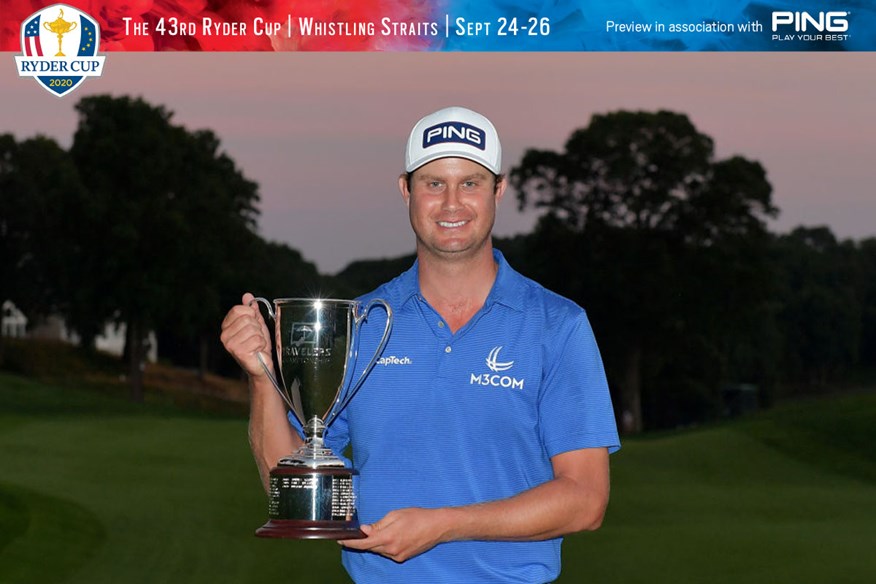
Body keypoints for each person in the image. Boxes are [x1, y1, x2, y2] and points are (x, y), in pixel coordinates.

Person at [220, 106, 620, 583]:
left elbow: (585, 500)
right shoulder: (361, 322)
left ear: (499, 189)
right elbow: (287, 488)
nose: (452, 204)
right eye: (433, 184)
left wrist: (444, 525)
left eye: (470, 183)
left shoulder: (558, 325)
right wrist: (263, 376)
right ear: (405, 190)